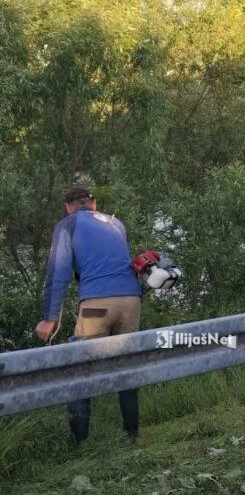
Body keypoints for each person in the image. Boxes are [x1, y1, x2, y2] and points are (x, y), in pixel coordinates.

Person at [35, 185, 142, 444]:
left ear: (68, 207)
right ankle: (132, 435)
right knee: (125, 367)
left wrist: (50, 319)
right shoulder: (116, 224)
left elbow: (58, 274)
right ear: (93, 204)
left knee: (80, 369)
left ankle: (80, 443)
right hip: (131, 300)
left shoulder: (68, 225)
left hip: (97, 305)